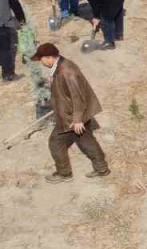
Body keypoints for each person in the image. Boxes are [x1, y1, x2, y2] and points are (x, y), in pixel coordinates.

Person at [30, 43, 111, 182]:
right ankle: (102, 168)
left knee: (55, 142)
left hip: (71, 117)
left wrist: (78, 119)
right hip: (72, 113)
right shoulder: (60, 65)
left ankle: (64, 173)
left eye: (41, 59)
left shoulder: (66, 71)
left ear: (49, 57)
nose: (40, 62)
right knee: (85, 140)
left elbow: (77, 95)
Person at [61, 0, 131, 50]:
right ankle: (118, 35)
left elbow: (93, 0)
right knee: (117, 9)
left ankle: (109, 43)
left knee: (106, 17)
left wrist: (97, 16)